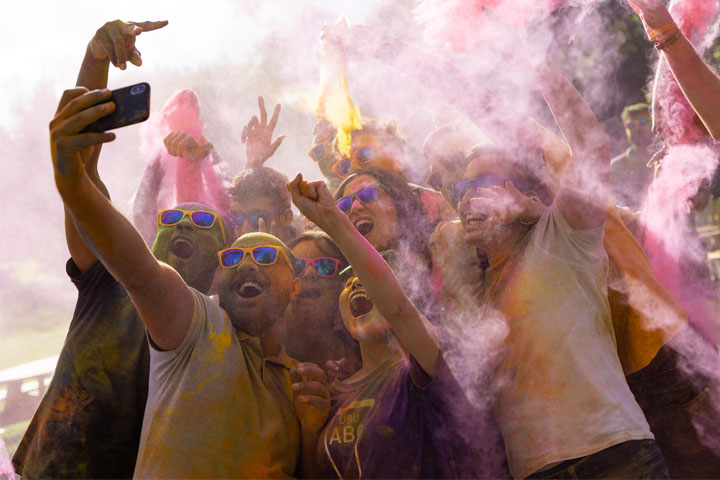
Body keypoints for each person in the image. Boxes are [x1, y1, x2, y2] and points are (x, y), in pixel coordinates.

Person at [48, 84, 313, 476]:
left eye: (264, 254)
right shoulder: (194, 324)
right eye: (236, 256)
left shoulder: (298, 380)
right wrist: (73, 180)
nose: (247, 263)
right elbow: (133, 257)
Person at [457, 57, 667, 478]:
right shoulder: (471, 284)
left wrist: (535, 60)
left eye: (482, 185)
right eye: (459, 188)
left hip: (614, 458)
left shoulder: (564, 234)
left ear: (523, 189)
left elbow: (591, 147)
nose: (466, 198)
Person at [287, 174, 505, 479]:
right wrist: (310, 431)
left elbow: (400, 310)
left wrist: (332, 219)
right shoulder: (333, 391)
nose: (357, 286)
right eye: (347, 283)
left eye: (368, 282)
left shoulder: (427, 366)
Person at [282, 231, 361, 375]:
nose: (308, 274)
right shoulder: (263, 349)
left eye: (325, 266)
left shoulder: (362, 352)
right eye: (297, 266)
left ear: (342, 282)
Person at [610, 103, 656, 210]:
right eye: (631, 125)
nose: (637, 128)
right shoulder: (617, 166)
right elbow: (615, 206)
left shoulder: (668, 159)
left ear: (654, 122)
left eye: (643, 122)